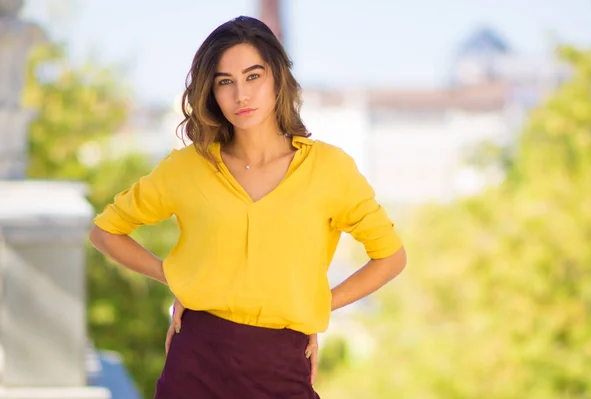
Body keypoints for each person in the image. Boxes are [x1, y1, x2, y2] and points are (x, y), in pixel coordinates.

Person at [90, 15, 407, 399]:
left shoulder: (329, 169)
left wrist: (318, 303)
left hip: (282, 363)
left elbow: (390, 257)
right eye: (226, 82)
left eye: (253, 76)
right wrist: (178, 281)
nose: (241, 95)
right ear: (212, 92)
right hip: (196, 360)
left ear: (277, 79)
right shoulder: (188, 167)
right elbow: (106, 231)